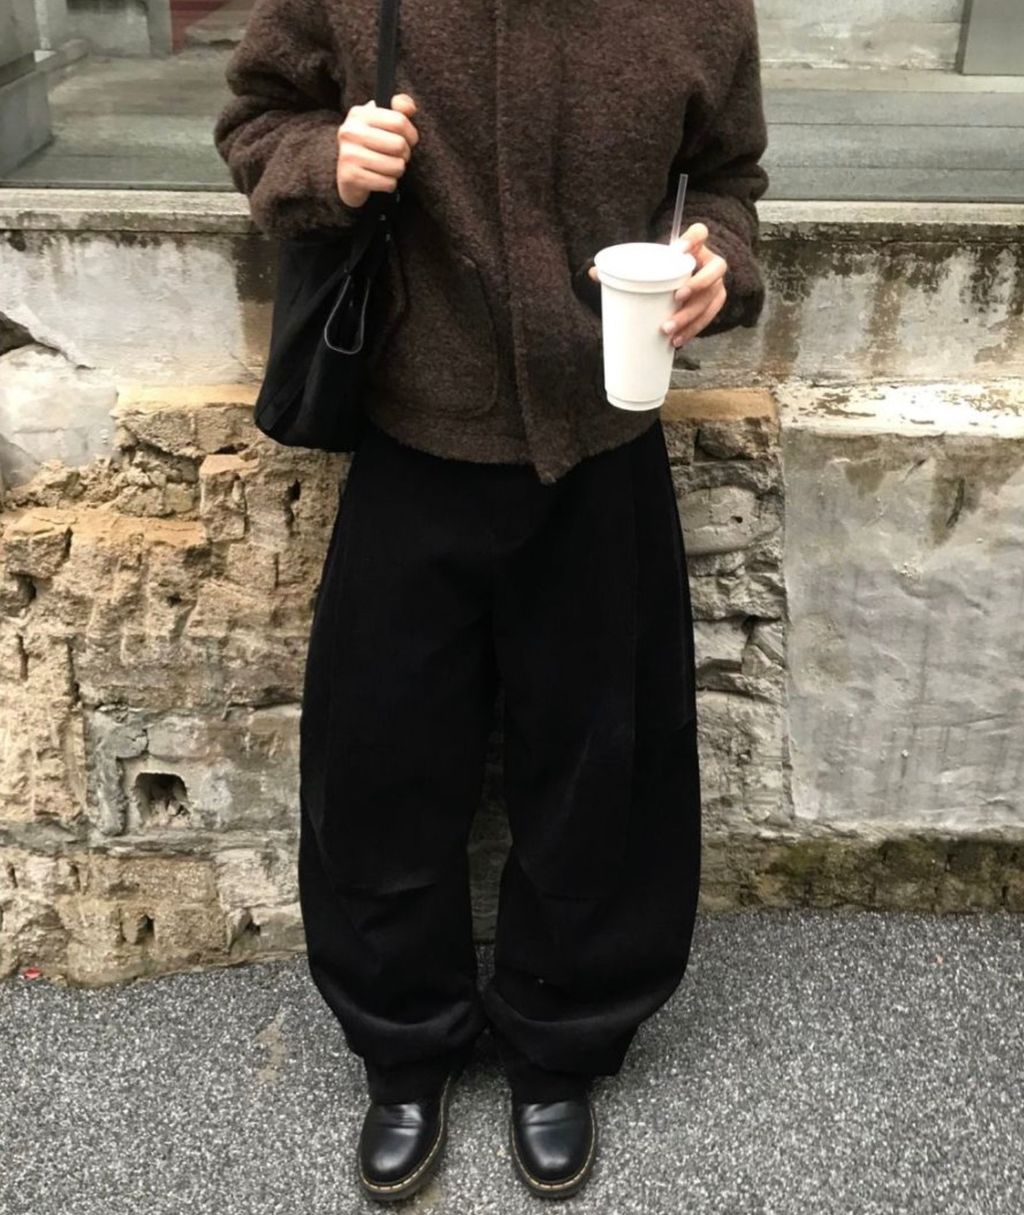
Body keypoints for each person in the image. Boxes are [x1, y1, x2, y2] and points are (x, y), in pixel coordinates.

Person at [214, 0, 769, 1200]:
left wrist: (717, 264)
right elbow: (257, 120)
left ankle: (561, 1041)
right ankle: (402, 1047)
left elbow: (726, 178)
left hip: (605, 448)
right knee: (379, 763)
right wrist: (324, 160)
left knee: (602, 765)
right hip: (413, 439)